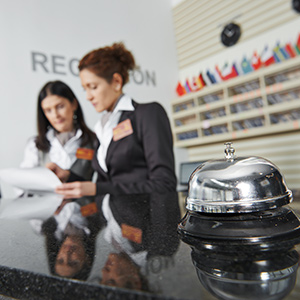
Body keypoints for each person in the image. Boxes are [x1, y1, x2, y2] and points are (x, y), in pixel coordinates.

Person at [48, 42, 181, 234]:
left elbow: (164, 183)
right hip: (115, 227)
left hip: (147, 227)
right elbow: (103, 175)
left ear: (116, 82)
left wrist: (96, 188)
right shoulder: (101, 128)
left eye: (92, 87)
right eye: (84, 88)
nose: (87, 96)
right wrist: (66, 174)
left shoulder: (147, 114)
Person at [21, 80, 96, 182]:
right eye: (48, 110)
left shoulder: (94, 141)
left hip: (84, 198)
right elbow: (24, 183)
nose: (55, 115)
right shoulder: (35, 145)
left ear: (74, 104)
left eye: (60, 107)